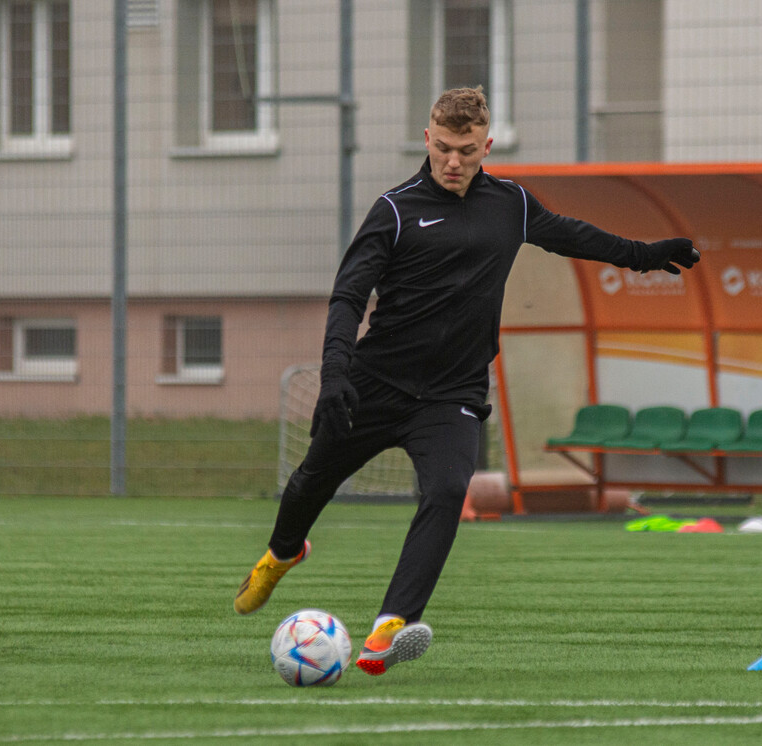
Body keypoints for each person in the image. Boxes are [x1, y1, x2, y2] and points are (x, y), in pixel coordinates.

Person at [235, 86, 699, 676]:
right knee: (309, 483)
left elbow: (571, 235)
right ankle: (281, 554)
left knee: (448, 492)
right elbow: (349, 296)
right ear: (428, 140)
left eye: (469, 151)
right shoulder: (396, 209)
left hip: (451, 396)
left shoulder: (511, 204)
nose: (454, 163)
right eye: (445, 149)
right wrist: (334, 375)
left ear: (487, 147)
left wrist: (643, 254)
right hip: (376, 383)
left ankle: (389, 627)